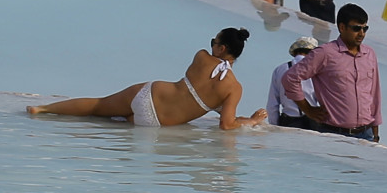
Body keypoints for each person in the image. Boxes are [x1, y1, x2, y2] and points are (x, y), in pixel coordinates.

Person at [27, 28, 267, 129]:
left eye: (213, 41)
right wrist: (253, 121)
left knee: (97, 105)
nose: (210, 45)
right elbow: (227, 125)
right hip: (157, 123)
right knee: (117, 119)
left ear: (221, 48)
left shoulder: (202, 56)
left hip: (150, 94)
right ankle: (46, 111)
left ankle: (43, 109)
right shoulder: (234, 88)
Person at [286, 4, 382, 140]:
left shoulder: (369, 54)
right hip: (333, 134)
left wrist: (375, 134)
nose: (361, 33)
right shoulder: (325, 53)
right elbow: (290, 78)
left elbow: (374, 94)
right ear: (342, 27)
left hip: (365, 134)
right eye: (356, 28)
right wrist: (308, 110)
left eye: (364, 28)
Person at [269, 37, 320, 129]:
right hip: (312, 121)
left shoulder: (279, 69)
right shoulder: (318, 71)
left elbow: (272, 104)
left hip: (288, 121)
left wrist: (274, 126)